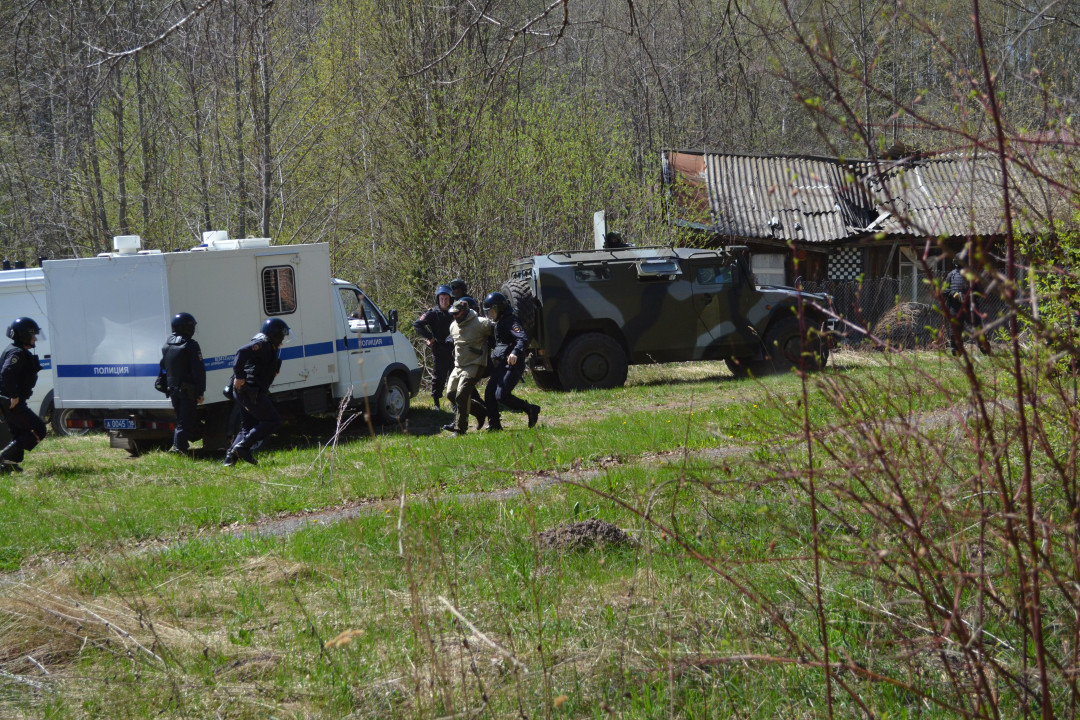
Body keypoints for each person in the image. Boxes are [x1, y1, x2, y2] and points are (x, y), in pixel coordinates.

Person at [224, 318, 290, 466]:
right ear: (274, 334)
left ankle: (230, 459)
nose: (283, 340)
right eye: (282, 336)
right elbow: (241, 352)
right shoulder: (263, 344)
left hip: (246, 392)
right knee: (274, 420)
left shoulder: (269, 346)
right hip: (249, 392)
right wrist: (240, 376)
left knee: (247, 427)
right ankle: (243, 447)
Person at [482, 292, 540, 431]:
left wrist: (515, 352)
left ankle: (530, 409)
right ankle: (495, 425)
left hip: (513, 365)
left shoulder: (511, 321)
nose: (490, 314)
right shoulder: (500, 323)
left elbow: (522, 339)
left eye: (491, 311)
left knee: (501, 396)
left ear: (498, 309)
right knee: (489, 394)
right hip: (502, 364)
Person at [0, 318, 47, 473]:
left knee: (19, 432)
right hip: (11, 402)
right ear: (23, 335)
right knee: (39, 429)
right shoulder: (17, 352)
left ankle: (8, 465)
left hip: (9, 401)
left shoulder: (17, 350)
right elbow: (6, 372)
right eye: (32, 335)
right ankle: (3, 458)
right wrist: (14, 395)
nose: (35, 339)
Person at [160, 312, 206, 454]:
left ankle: (178, 446)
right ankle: (180, 448)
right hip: (188, 390)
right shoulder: (191, 345)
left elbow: (163, 366)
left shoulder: (166, 345)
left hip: (173, 388)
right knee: (185, 421)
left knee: (180, 419)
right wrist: (200, 391)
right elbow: (198, 370)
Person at [443, 299, 490, 436]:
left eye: (457, 313)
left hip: (475, 363)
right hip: (459, 365)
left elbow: (498, 334)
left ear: (464, 312)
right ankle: (480, 411)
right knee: (451, 394)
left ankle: (460, 429)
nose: (454, 316)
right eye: (453, 313)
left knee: (462, 394)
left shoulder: (481, 323)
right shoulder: (453, 326)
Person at [413, 285, 454, 409]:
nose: (444, 301)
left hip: (453, 349)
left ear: (450, 299)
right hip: (439, 348)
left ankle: (454, 402)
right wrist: (429, 337)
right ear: (438, 299)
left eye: (446, 298)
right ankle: (436, 402)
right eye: (442, 298)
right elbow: (417, 324)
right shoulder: (433, 313)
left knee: (454, 375)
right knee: (438, 376)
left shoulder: (455, 312)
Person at [945, 258, 991, 355]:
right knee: (955, 330)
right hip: (956, 307)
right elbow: (944, 291)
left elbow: (981, 292)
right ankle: (956, 351)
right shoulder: (951, 275)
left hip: (971, 306)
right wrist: (953, 293)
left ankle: (985, 350)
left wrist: (969, 296)